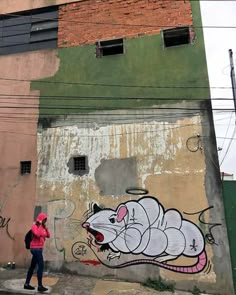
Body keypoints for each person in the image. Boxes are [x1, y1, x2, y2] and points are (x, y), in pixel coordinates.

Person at [24, 212, 50, 292]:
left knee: (32, 266)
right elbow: (38, 234)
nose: (45, 221)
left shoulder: (42, 227)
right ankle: (40, 286)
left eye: (45, 220)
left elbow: (48, 235)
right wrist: (40, 225)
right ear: (40, 219)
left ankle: (26, 284)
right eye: (44, 220)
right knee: (41, 266)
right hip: (35, 248)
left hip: (39, 248)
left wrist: (45, 228)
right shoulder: (34, 226)